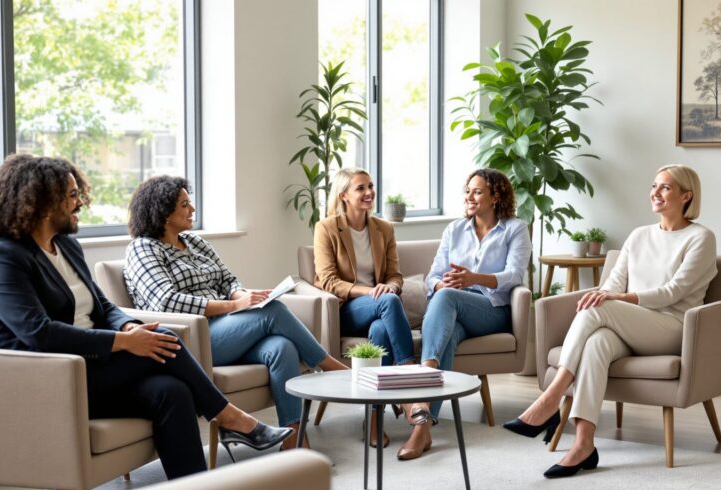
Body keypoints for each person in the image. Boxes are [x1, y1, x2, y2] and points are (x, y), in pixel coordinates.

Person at [0, 155, 292, 480]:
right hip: (47, 376)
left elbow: (103, 306)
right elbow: (38, 333)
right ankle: (232, 419)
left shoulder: (65, 246)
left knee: (171, 391)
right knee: (167, 338)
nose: (79, 202)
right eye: (70, 196)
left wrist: (128, 326)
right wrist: (125, 341)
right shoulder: (2, 257)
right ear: (40, 203)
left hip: (93, 367)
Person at [504, 164, 717, 479]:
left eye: (665, 188)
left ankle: (551, 398)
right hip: (630, 324)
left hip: (671, 327)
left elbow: (674, 292)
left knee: (598, 308)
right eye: (654, 185)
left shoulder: (701, 237)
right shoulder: (639, 235)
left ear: (687, 196)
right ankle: (584, 443)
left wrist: (617, 300)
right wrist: (612, 297)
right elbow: (612, 286)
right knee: (597, 343)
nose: (655, 193)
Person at [123, 175, 348, 449]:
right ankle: (331, 367)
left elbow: (228, 280)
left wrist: (243, 296)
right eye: (184, 204)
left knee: (281, 346)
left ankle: (295, 440)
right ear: (163, 211)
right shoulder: (143, 248)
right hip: (193, 340)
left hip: (228, 329)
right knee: (273, 312)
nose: (192, 209)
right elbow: (166, 302)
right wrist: (234, 306)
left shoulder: (195, 242)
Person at [404, 168, 531, 461]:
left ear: (495, 196)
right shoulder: (454, 230)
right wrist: (442, 282)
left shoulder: (515, 228)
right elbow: (432, 276)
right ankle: (423, 428)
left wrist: (474, 279)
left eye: (477, 192)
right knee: (446, 328)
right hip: (453, 307)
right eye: (467, 191)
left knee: (446, 299)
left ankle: (424, 378)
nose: (469, 197)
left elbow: (514, 275)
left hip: (491, 309)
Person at [313, 168, 416, 449]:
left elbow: (395, 275)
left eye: (370, 186)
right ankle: (410, 389)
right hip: (347, 311)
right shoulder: (326, 228)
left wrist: (390, 287)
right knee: (387, 301)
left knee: (380, 331)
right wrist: (371, 292)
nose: (369, 192)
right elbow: (329, 282)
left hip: (381, 309)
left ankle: (373, 419)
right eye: (361, 188)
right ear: (344, 195)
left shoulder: (384, 229)